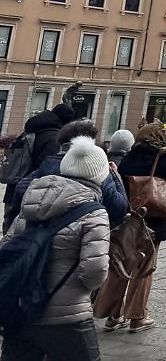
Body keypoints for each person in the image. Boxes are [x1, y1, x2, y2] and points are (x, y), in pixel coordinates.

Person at [1, 135, 111, 361]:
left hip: (22, 309)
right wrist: (79, 291)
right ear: (100, 175)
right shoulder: (95, 212)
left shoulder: (33, 199)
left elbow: (7, 247)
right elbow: (95, 270)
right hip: (68, 315)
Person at [96, 122, 166, 333]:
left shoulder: (129, 156)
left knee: (121, 264)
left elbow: (120, 185)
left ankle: (113, 314)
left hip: (129, 218)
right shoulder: (165, 157)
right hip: (154, 220)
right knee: (144, 268)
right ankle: (137, 317)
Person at [11, 119, 128, 230]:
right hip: (82, 233)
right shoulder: (96, 170)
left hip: (42, 234)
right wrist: (115, 175)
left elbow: (21, 187)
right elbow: (119, 208)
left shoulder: (49, 164)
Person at [2, 103, 77, 232]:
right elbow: (47, 170)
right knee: (19, 236)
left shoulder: (32, 130)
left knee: (9, 231)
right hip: (30, 194)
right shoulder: (53, 138)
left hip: (14, 188)